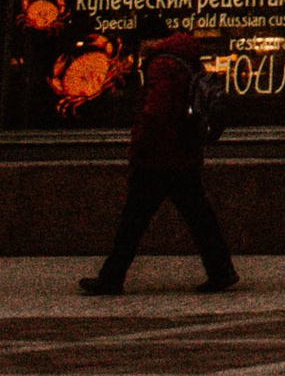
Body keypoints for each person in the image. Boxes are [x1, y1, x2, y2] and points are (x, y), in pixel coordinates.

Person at [79, 26, 237, 296]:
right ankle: (221, 270)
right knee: (198, 215)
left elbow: (156, 109)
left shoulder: (162, 63)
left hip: (157, 155)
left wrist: (141, 140)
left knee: (134, 219)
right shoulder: (187, 60)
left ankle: (111, 277)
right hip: (182, 152)